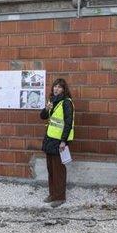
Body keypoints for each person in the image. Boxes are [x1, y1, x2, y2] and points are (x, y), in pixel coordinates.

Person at [40, 78, 74, 208]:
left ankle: (60, 197)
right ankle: (52, 194)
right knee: (51, 169)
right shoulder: (52, 101)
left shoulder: (66, 103)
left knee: (58, 169)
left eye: (59, 87)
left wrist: (63, 141)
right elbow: (42, 116)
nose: (56, 89)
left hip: (59, 141)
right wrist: (46, 108)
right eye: (55, 86)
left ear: (64, 90)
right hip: (50, 139)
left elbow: (68, 123)